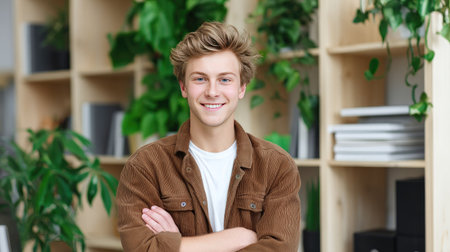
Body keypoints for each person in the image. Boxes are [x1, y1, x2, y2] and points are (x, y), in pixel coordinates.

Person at [116, 21, 301, 251]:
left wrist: (177, 245)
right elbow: (140, 249)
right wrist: (239, 238)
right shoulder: (145, 166)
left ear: (241, 88)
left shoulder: (277, 167)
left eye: (225, 79)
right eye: (200, 79)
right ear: (183, 87)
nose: (212, 92)